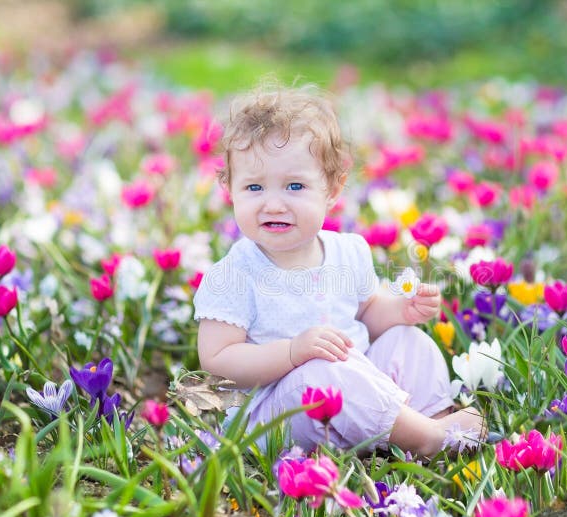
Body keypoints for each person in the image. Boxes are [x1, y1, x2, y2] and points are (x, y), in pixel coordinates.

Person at [194, 85, 484, 456]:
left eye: (295, 186)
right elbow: (218, 361)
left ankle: (431, 422)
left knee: (408, 341)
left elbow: (366, 314)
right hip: (279, 417)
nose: (273, 204)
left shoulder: (348, 252)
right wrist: (292, 352)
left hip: (355, 392)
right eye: (254, 187)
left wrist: (401, 310)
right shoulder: (234, 274)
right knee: (321, 372)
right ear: (230, 189)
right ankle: (426, 438)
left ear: (332, 189)